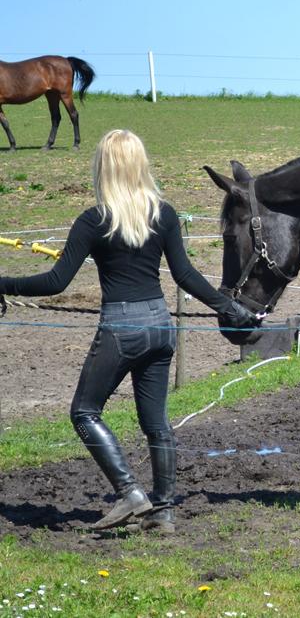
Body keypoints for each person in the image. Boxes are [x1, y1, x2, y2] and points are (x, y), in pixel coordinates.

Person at [0, 129, 259, 533]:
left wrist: (3, 283)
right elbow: (186, 275)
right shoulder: (164, 214)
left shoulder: (93, 220)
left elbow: (55, 283)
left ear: (103, 167)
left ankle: (129, 493)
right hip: (160, 324)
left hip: (120, 327)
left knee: (84, 412)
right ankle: (165, 512)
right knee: (155, 422)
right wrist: (230, 307)